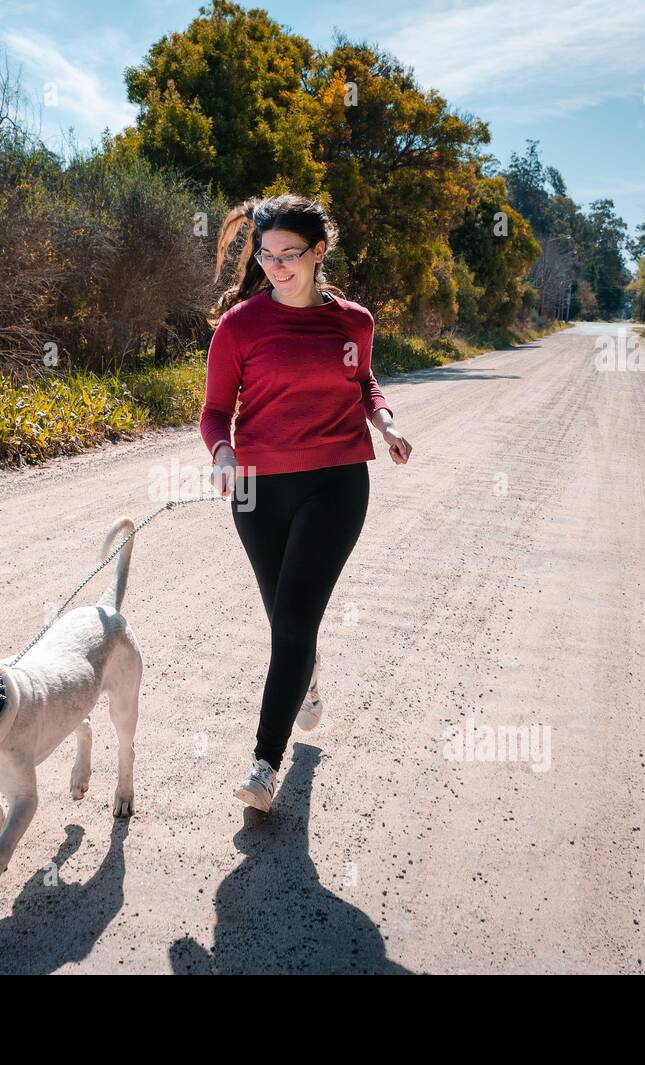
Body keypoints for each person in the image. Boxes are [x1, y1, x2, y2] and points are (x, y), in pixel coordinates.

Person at [199, 193, 412, 813]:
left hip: (336, 483)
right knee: (288, 622)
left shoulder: (354, 323)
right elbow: (215, 412)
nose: (276, 266)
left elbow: (364, 381)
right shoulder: (241, 325)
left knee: (293, 620)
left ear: (319, 252)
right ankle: (308, 674)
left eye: (290, 255)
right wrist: (222, 454)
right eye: (266, 255)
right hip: (257, 490)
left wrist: (386, 424)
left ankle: (265, 763)